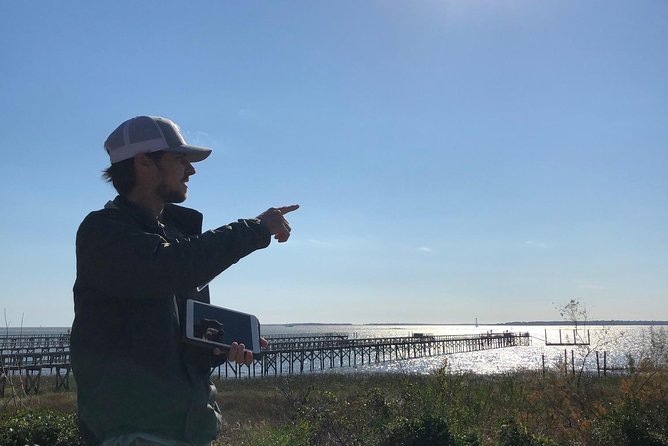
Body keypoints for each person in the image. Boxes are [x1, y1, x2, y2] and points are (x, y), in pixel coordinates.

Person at [71, 116, 298, 446]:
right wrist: (255, 228)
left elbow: (165, 344)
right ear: (144, 163)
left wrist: (217, 350)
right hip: (135, 431)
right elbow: (167, 266)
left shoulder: (172, 238)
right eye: (180, 159)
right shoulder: (103, 233)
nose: (191, 170)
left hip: (189, 430)